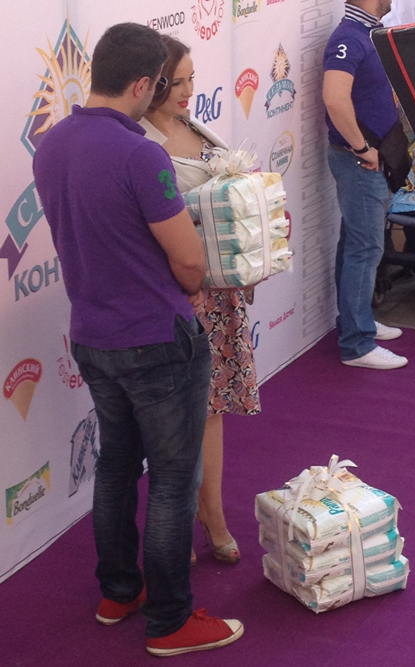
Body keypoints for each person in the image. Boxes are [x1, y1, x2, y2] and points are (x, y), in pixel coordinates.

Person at [33, 23, 243, 657]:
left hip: (93, 335)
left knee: (117, 467)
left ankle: (119, 591)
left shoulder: (51, 144)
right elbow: (189, 261)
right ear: (145, 84)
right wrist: (199, 280)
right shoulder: (140, 154)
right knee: (174, 479)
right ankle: (171, 620)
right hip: (157, 337)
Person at [139, 36, 261, 564]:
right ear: (154, 83)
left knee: (210, 413)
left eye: (193, 79)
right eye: (180, 81)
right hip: (178, 296)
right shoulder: (139, 142)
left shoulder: (196, 128)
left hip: (217, 292)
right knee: (170, 419)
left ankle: (211, 512)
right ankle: (176, 519)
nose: (190, 90)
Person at [323, 0, 408, 370]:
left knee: (355, 243)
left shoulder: (364, 34)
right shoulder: (349, 38)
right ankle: (357, 343)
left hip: (370, 158)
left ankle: (357, 324)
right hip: (360, 161)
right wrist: (362, 148)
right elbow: (334, 98)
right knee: (365, 248)